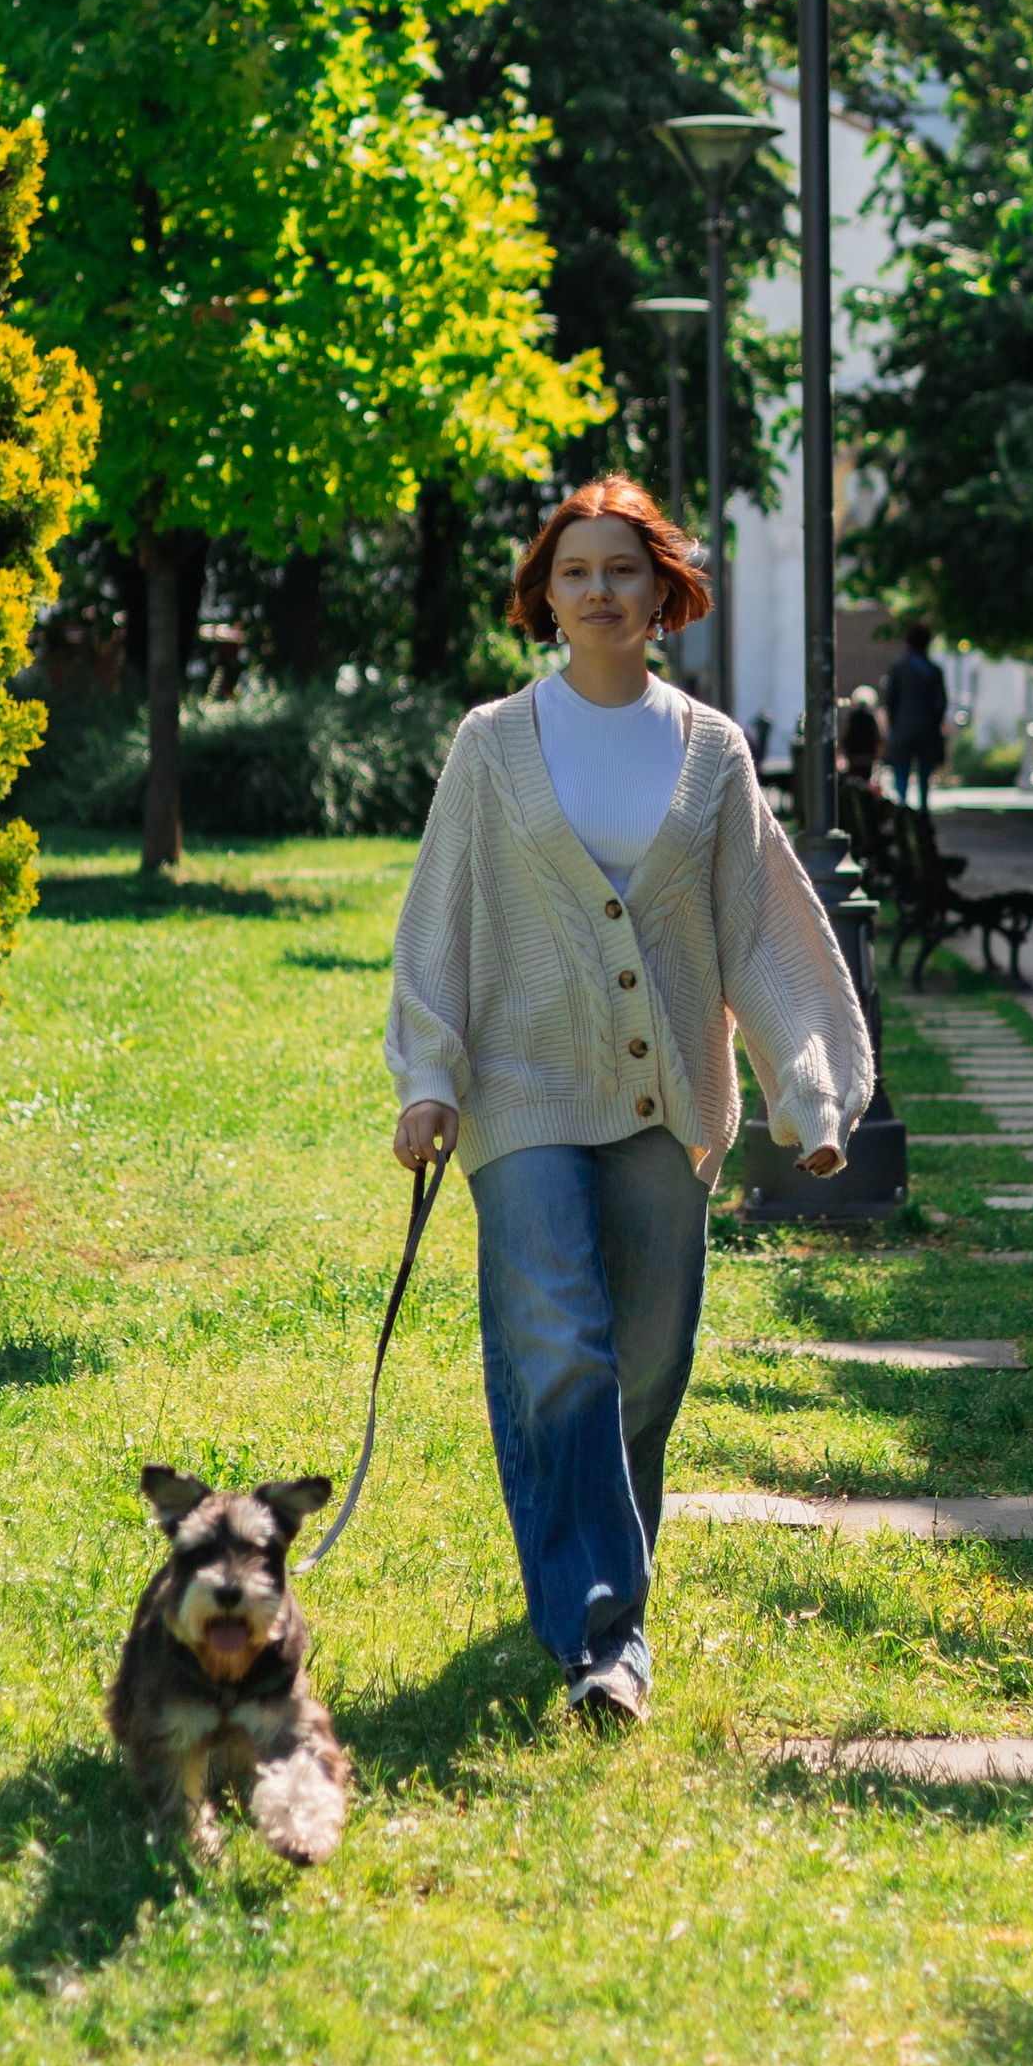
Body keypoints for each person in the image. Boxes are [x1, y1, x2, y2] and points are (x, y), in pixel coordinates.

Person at [386, 476, 874, 1728]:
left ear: (665, 591)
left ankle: (599, 1588)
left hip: (671, 1097)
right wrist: (430, 1080)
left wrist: (806, 1091)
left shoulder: (708, 749)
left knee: (646, 1369)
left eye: (620, 569)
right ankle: (604, 1636)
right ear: (543, 597)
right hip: (523, 1088)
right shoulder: (491, 745)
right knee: (560, 1350)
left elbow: (760, 930)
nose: (597, 591)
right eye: (572, 571)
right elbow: (438, 919)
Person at [882, 620, 949, 811]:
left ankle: (902, 805)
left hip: (904, 726)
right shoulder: (934, 671)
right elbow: (942, 701)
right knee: (924, 772)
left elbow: (890, 700)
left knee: (901, 768)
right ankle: (923, 807)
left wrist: (895, 724)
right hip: (927, 727)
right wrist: (934, 720)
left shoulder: (899, 669)